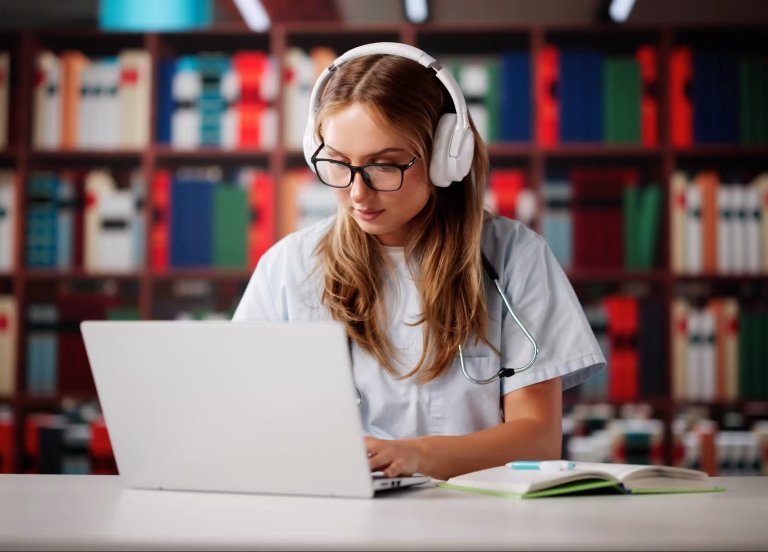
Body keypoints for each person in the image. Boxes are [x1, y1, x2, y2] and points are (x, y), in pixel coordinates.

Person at [233, 43, 605, 481]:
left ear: (448, 156)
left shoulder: (515, 257)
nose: (357, 193)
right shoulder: (289, 266)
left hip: (475, 516)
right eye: (337, 163)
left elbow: (537, 439)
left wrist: (416, 455)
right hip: (335, 516)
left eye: (384, 166)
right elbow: (243, 418)